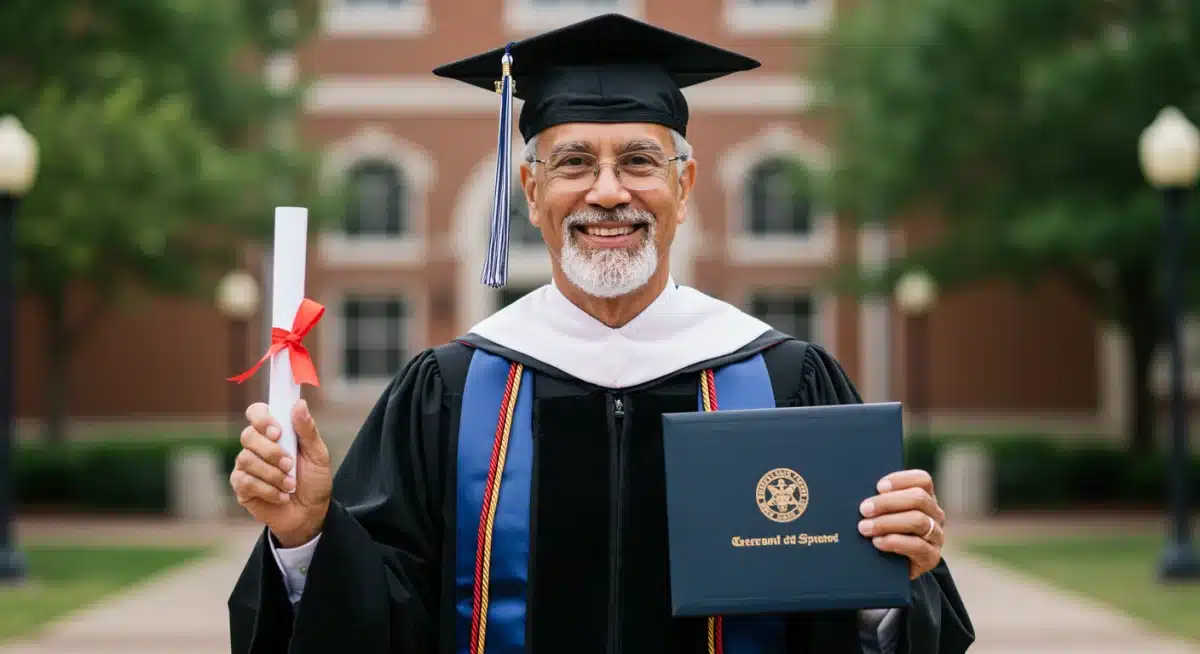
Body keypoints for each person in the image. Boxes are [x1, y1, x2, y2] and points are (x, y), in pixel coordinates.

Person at [226, 14, 974, 654]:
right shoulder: (451, 390)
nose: (608, 191)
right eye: (574, 162)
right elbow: (382, 620)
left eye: (640, 161)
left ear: (683, 186)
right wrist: (307, 537)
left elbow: (861, 620)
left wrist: (889, 581)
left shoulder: (783, 382)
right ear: (531, 189)